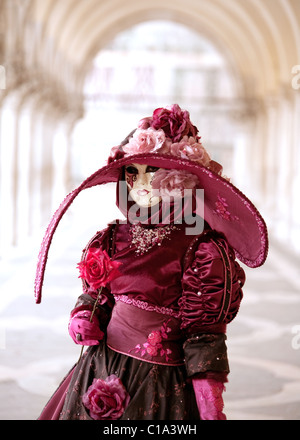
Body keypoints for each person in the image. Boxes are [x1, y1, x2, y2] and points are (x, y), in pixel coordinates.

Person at [35, 104, 268, 420]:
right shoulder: (112, 238)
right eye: (132, 172)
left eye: (152, 170)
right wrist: (84, 315)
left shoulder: (202, 248)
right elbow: (98, 296)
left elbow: (204, 333)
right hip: (99, 370)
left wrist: (207, 397)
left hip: (160, 384)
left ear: (178, 177)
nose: (140, 183)